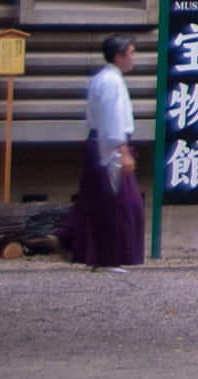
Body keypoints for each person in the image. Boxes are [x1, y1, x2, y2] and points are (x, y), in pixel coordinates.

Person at [60, 34, 144, 270]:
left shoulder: (103, 79)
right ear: (118, 56)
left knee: (97, 200)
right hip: (108, 146)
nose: (133, 58)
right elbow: (112, 119)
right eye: (130, 53)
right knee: (120, 204)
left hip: (100, 142)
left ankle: (73, 240)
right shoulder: (111, 82)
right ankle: (107, 257)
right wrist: (122, 151)